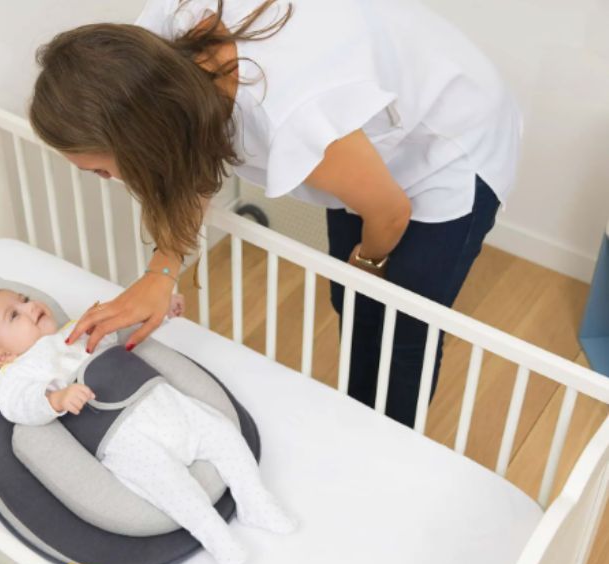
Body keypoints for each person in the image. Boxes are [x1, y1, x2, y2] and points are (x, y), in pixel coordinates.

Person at [28, 0, 521, 427]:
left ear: (142, 142)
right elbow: (190, 152)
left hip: (450, 141)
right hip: (364, 139)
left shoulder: (292, 114)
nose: (108, 181)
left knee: (401, 328)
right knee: (351, 304)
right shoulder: (149, 56)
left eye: (99, 170)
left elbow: (391, 213)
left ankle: (387, 446)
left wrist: (367, 265)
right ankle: (360, 415)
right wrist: (162, 270)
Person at [0, 288, 296, 564]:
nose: (29, 307)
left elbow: (120, 328)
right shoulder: (17, 374)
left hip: (160, 400)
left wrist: (157, 312)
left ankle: (254, 499)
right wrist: (55, 399)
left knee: (221, 432)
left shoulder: (74, 329)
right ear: (1, 357)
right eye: (14, 315)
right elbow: (18, 405)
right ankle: (213, 533)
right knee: (167, 484)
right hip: (120, 435)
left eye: (23, 300)